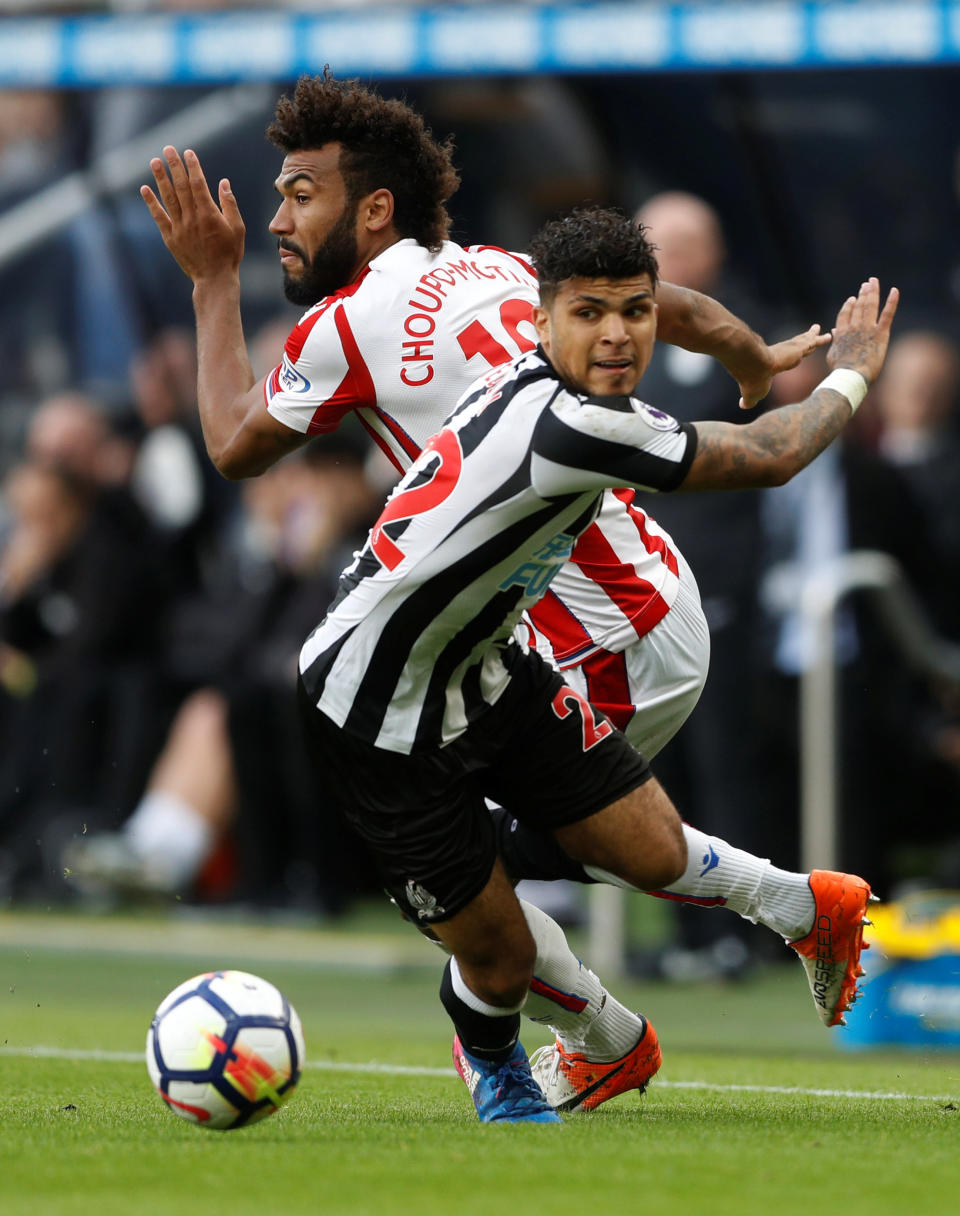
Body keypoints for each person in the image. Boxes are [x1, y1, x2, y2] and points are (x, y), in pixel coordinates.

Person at [135, 73, 861, 1114]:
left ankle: (593, 1036)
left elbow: (231, 443)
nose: (278, 220)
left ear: (373, 208)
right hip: (642, 591)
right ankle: (740, 946)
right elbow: (663, 302)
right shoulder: (498, 266)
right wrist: (749, 355)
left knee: (481, 908)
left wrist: (211, 281)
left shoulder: (346, 326)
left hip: (581, 625)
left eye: (298, 196)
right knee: (508, 888)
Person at [296, 212, 890, 1121]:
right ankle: (534, 1068)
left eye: (635, 312)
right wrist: (851, 370)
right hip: (377, 715)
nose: (617, 334)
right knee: (494, 951)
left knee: (629, 854)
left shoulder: (536, 386)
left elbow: (694, 340)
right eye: (589, 313)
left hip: (492, 673)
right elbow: (775, 452)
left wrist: (745, 354)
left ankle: (688, 988)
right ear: (540, 321)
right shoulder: (571, 427)